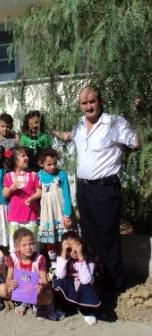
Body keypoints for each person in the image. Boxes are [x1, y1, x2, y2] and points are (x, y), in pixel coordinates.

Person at [61, 86, 140, 294]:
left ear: (100, 101)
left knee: (108, 237)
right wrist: (46, 128)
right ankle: (97, 281)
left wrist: (141, 115)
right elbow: (68, 136)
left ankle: (116, 286)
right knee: (89, 237)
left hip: (105, 189)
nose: (89, 106)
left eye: (92, 101)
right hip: (84, 189)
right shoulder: (78, 125)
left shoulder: (115, 123)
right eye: (84, 103)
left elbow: (137, 142)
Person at [0, 228, 60, 320]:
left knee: (48, 297)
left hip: (35, 291)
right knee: (2, 288)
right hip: (20, 290)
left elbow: (45, 281)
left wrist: (41, 287)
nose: (28, 247)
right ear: (17, 246)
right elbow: (8, 278)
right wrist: (10, 282)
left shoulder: (40, 259)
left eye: (31, 244)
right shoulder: (13, 257)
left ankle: (37, 305)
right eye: (24, 245)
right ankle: (22, 302)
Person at [53, 231, 101, 325]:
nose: (74, 251)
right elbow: (60, 275)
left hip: (83, 284)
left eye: (76, 247)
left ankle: (85, 310)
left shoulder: (89, 260)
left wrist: (81, 257)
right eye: (69, 249)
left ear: (82, 245)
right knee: (58, 280)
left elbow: (85, 280)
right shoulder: (64, 257)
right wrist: (63, 252)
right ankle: (67, 307)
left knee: (86, 285)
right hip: (71, 284)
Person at [37, 148, 72, 265]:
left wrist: (67, 215)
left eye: (55, 163)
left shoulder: (61, 175)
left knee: (64, 239)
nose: (53, 167)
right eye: (49, 164)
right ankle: (53, 265)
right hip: (47, 214)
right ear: (41, 164)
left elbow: (67, 195)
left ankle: (66, 263)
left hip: (60, 212)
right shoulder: (38, 176)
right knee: (50, 241)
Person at [3, 147, 41, 252]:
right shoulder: (8, 176)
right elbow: (5, 194)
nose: (27, 158)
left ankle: (34, 264)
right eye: (23, 156)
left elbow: (39, 192)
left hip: (30, 215)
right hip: (14, 216)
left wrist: (32, 198)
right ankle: (15, 264)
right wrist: (11, 189)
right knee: (14, 243)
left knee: (32, 243)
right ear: (15, 160)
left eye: (27, 155)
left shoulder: (33, 176)